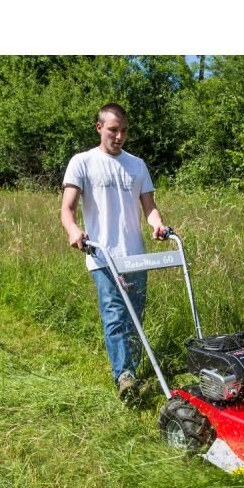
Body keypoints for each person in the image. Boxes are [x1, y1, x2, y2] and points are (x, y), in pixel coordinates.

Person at [60, 103, 168, 402]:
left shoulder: (137, 165)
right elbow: (67, 209)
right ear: (99, 128)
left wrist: (158, 225)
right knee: (115, 316)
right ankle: (124, 377)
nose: (119, 136)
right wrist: (74, 230)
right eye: (113, 130)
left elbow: (150, 208)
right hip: (102, 255)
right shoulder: (82, 162)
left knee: (134, 319)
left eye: (124, 131)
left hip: (136, 256)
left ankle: (129, 369)